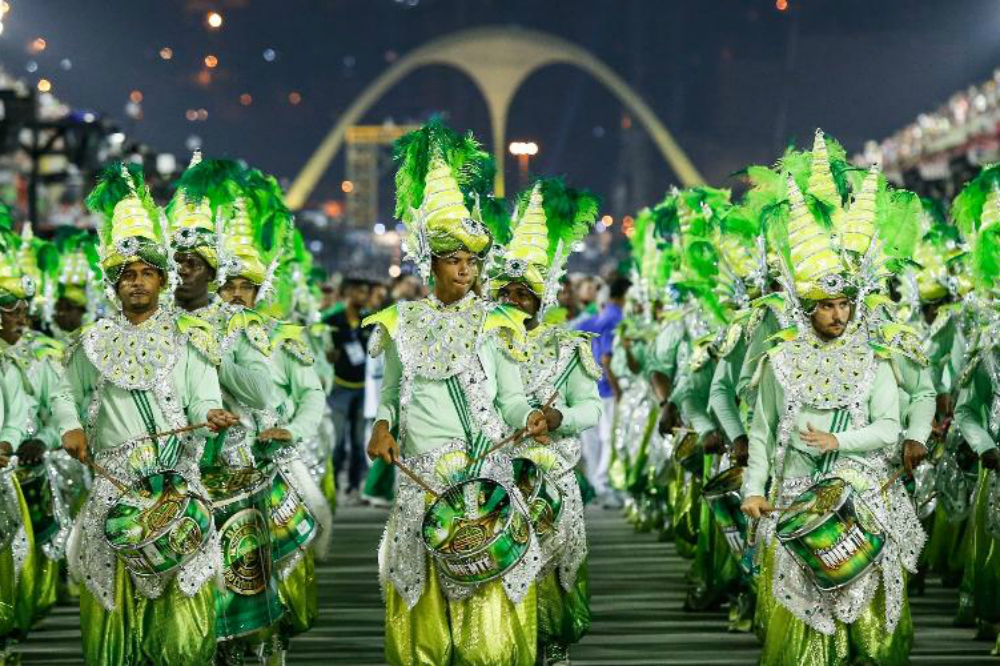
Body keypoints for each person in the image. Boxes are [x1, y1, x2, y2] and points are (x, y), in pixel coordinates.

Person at [364, 120, 548, 666]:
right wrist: (381, 426)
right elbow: (391, 392)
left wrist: (533, 416)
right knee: (420, 593)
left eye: (472, 261)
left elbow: (510, 399)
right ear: (430, 262)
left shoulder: (499, 322)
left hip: (482, 470)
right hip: (420, 474)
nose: (465, 270)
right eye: (453, 259)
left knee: (486, 597)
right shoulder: (399, 321)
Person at [740, 134, 923, 665]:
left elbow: (888, 427)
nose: (838, 315)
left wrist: (838, 441)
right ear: (805, 308)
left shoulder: (875, 356)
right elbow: (761, 430)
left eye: (844, 303)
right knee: (804, 615)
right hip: (796, 495)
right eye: (826, 305)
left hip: (862, 494)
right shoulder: (779, 358)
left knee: (868, 618)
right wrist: (753, 489)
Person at [61, 163, 238, 664]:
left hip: (175, 487)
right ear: (114, 284)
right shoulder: (90, 342)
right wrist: (70, 427)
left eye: (145, 273)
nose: (136, 283)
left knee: (183, 626)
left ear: (162, 279)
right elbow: (62, 395)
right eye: (127, 275)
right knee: (112, 623)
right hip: (113, 489)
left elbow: (203, 396)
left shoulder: (190, 337)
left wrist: (212, 414)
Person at [216, 167, 332, 662]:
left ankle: (273, 644)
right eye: (228, 285)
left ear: (259, 291)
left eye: (245, 286)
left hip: (270, 460)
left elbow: (312, 395)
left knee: (283, 557)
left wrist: (293, 430)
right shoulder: (194, 336)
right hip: (214, 467)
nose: (236, 294)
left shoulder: (283, 338)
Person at [492, 177, 603, 666]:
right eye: (508, 292)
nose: (515, 300)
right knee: (501, 560)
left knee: (556, 559)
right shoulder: (482, 344)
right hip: (495, 472)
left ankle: (552, 640)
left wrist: (559, 417)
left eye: (525, 293)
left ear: (542, 299)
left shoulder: (567, 346)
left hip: (553, 474)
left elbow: (591, 409)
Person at [576, 274, 628, 504]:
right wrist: (618, 390)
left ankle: (597, 486)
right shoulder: (616, 318)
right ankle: (603, 485)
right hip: (607, 388)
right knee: (608, 439)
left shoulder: (596, 319)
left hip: (589, 388)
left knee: (594, 442)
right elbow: (607, 358)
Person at [325, 276, 372, 504]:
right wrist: (329, 356)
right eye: (359, 291)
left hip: (364, 389)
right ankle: (332, 488)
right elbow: (324, 353)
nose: (363, 296)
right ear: (348, 293)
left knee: (357, 442)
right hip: (339, 388)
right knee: (337, 442)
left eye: (365, 292)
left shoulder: (369, 322)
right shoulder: (332, 321)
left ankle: (354, 488)